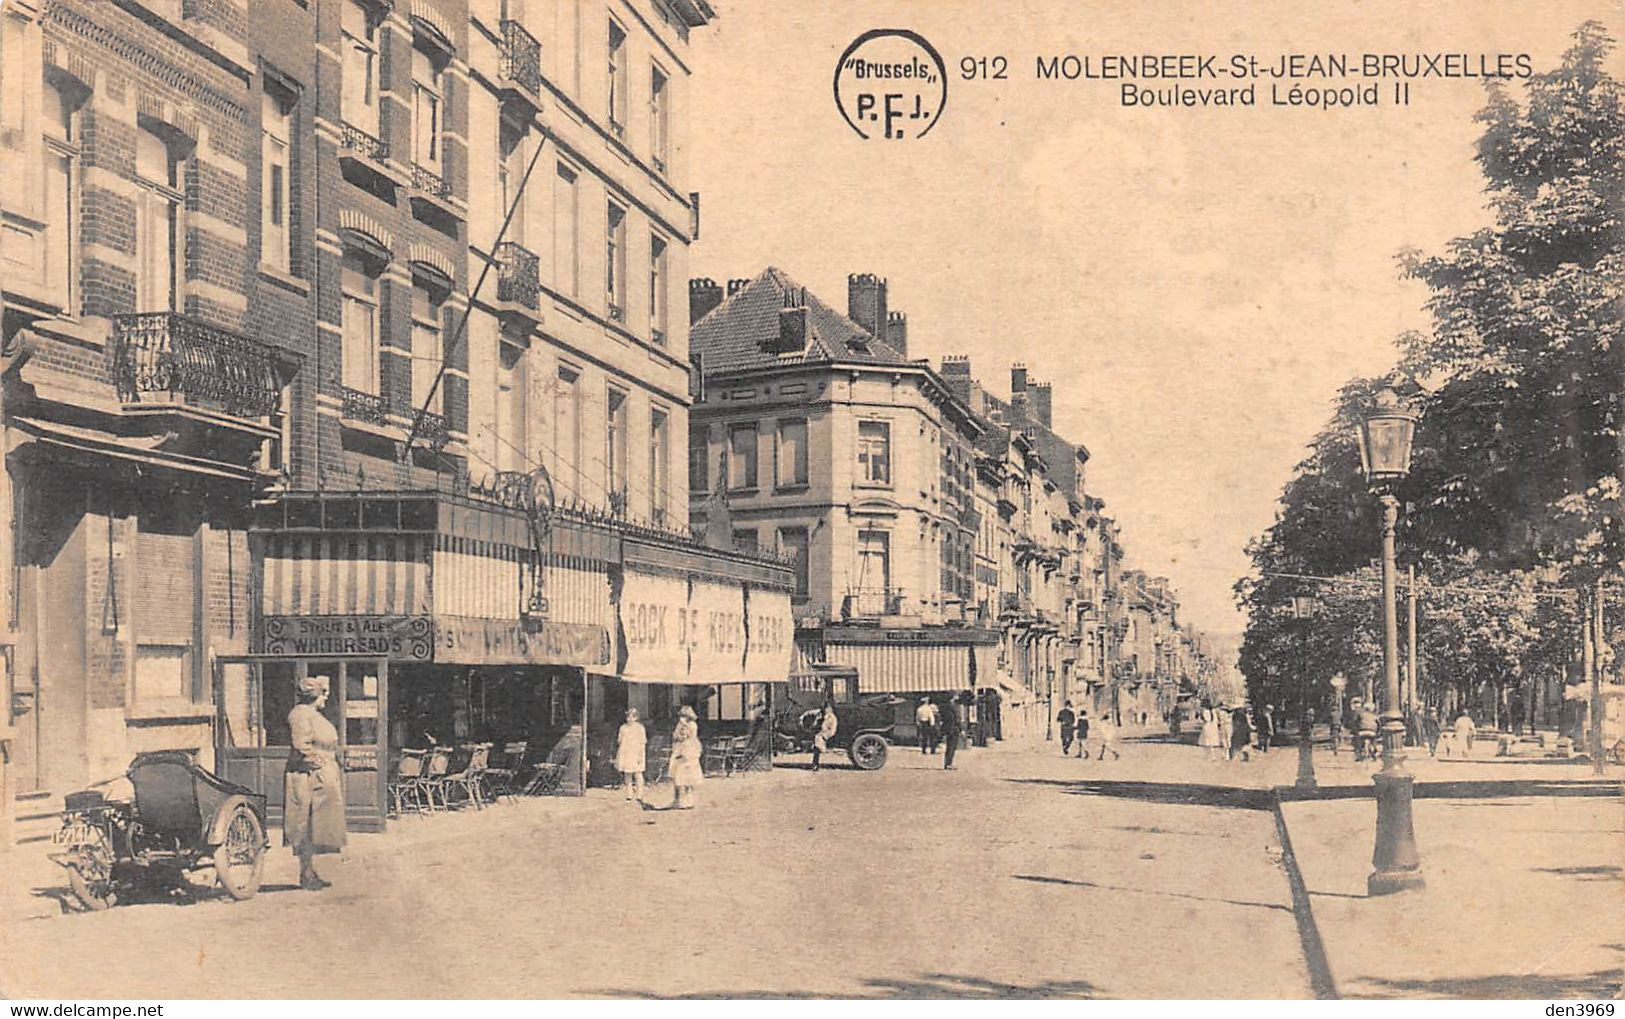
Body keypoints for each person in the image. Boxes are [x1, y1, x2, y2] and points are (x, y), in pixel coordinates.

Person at [285, 676, 345, 891]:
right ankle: (306, 872)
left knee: (317, 825)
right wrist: (316, 762)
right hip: (307, 777)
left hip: (319, 776)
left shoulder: (313, 714)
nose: (326, 697)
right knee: (305, 823)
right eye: (323, 693)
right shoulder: (300, 714)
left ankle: (309, 871)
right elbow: (301, 744)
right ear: (313, 696)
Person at [668, 706, 705, 808]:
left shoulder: (693, 725)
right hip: (679, 749)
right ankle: (676, 800)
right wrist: (678, 736)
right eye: (681, 716)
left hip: (689, 750)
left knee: (688, 776)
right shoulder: (679, 725)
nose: (682, 718)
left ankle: (689, 800)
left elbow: (691, 738)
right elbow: (675, 735)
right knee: (677, 776)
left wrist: (685, 731)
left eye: (684, 716)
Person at [614, 707, 647, 802]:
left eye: (632, 717)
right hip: (626, 752)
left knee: (638, 773)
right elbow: (620, 740)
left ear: (636, 718)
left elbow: (642, 742)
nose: (629, 719)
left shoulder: (640, 728)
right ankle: (629, 793)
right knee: (627, 773)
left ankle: (639, 794)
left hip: (636, 752)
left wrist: (640, 755)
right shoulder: (623, 728)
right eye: (628, 717)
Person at [811, 702, 838, 772]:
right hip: (818, 733)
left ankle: (815, 764)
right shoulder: (822, 716)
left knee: (817, 744)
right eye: (826, 709)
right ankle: (815, 764)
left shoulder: (832, 718)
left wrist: (824, 736)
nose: (827, 710)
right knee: (816, 741)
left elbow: (832, 730)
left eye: (829, 709)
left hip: (826, 735)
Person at [940, 695, 962, 770]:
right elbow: (957, 719)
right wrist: (961, 729)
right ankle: (949, 763)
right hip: (954, 728)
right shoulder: (954, 707)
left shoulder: (945, 707)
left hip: (948, 728)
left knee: (949, 746)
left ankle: (947, 763)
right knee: (952, 746)